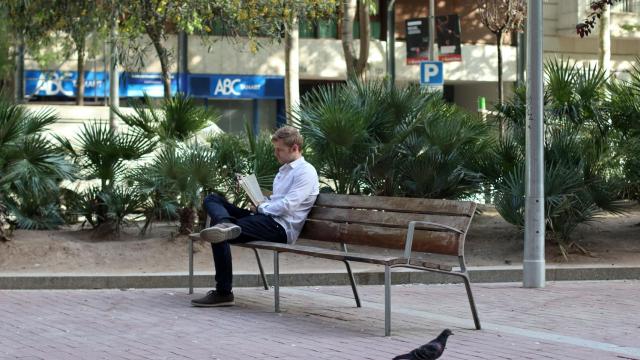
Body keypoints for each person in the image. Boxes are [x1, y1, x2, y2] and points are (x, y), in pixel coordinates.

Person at [191, 126, 319, 307]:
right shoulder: (283, 171)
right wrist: (259, 200)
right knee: (213, 199)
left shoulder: (306, 172)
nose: (276, 154)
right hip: (266, 219)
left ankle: (223, 292)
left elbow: (288, 206)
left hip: (280, 228)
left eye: (279, 150)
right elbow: (276, 202)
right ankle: (226, 223)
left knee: (219, 234)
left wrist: (262, 207)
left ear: (295, 148)